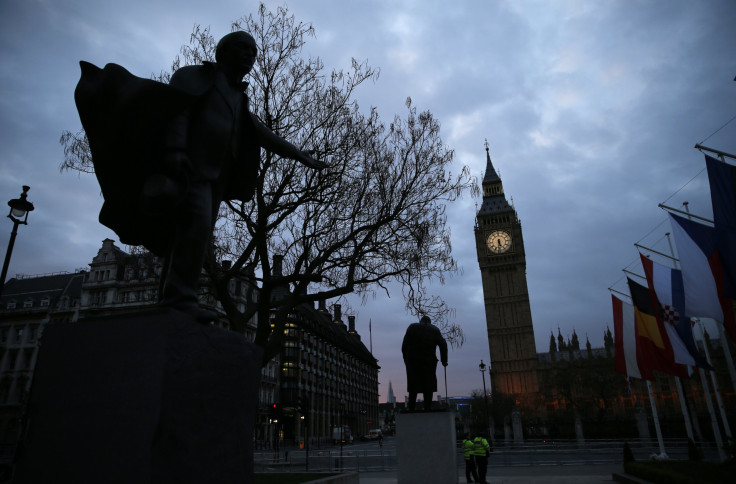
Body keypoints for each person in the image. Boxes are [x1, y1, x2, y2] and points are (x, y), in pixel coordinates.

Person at [75, 31, 325, 322]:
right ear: (223, 51)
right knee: (194, 230)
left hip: (215, 178)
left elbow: (260, 132)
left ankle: (173, 300)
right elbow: (176, 111)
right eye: (243, 48)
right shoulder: (194, 77)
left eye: (253, 51)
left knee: (191, 236)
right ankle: (180, 300)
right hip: (188, 169)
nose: (250, 54)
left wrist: (298, 154)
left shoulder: (238, 98)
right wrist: (175, 151)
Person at [401, 315, 448, 411]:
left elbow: (404, 346)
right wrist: (444, 360)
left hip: (413, 361)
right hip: (429, 361)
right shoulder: (434, 329)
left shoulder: (412, 327)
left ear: (420, 321)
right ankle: (427, 408)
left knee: (413, 385)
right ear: (429, 322)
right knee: (428, 384)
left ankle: (411, 409)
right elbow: (443, 344)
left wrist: (406, 360)